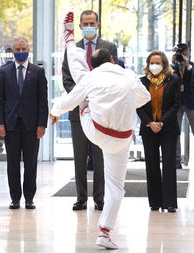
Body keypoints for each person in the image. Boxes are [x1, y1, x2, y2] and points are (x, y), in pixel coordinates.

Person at [50, 12, 151, 249]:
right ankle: (105, 232)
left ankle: (68, 40)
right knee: (117, 188)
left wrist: (54, 112)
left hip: (95, 130)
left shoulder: (89, 77)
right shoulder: (129, 75)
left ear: (93, 65)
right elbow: (144, 98)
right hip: (123, 138)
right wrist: (125, 101)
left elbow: (70, 101)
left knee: (83, 95)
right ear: (113, 61)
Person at [62, 9, 118, 211]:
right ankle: (81, 197)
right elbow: (67, 78)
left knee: (100, 156)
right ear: (79, 27)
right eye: (84, 24)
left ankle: (99, 198)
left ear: (98, 25)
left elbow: (113, 73)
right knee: (79, 156)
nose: (88, 27)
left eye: (91, 23)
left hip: (101, 110)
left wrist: (95, 96)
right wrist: (82, 96)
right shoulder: (72, 48)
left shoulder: (109, 47)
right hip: (78, 111)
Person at [0, 36, 48, 210]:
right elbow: (0, 100)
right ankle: (15, 198)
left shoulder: (38, 72)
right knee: (12, 163)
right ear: (12, 52)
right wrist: (0, 123)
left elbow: (43, 101)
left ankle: (29, 198)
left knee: (31, 163)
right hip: (11, 125)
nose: (20, 52)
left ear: (28, 50)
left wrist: (42, 124)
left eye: (23, 49)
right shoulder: (4, 71)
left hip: (32, 126)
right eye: (17, 50)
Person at [137, 50, 181, 213]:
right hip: (149, 128)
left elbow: (176, 105)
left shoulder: (173, 81)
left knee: (169, 164)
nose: (154, 65)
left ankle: (169, 202)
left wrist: (161, 123)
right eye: (152, 62)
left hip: (168, 127)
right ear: (148, 65)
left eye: (158, 62)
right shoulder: (141, 82)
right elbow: (139, 105)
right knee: (152, 164)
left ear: (164, 64)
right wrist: (150, 123)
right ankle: (155, 202)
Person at [172, 43, 194, 169]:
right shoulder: (172, 66)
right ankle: (177, 160)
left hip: (191, 102)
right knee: (175, 132)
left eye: (184, 54)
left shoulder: (193, 65)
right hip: (177, 102)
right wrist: (172, 63)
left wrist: (187, 64)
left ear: (187, 53)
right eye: (180, 54)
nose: (182, 56)